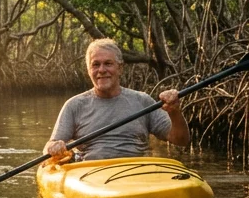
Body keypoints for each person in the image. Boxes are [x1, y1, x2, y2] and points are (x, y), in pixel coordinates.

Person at [44, 38, 190, 162]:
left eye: (108, 63)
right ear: (88, 70)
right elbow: (48, 149)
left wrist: (174, 112)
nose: (101, 70)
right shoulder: (74, 105)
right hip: (91, 175)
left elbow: (181, 140)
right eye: (95, 64)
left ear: (120, 68)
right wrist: (54, 147)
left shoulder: (142, 101)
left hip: (138, 173)